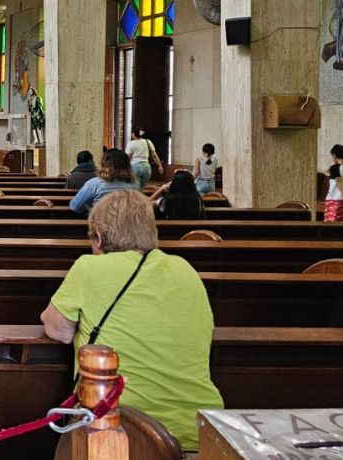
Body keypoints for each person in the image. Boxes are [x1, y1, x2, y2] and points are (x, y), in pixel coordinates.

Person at [40, 190, 223, 451]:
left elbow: (57, 329)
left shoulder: (89, 268)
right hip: (205, 434)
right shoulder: (187, 271)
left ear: (99, 239)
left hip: (121, 432)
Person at [69, 148, 139, 215]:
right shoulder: (135, 185)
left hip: (100, 225)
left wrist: (88, 207)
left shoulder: (93, 184)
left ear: (104, 165)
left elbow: (75, 207)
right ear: (127, 166)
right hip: (125, 225)